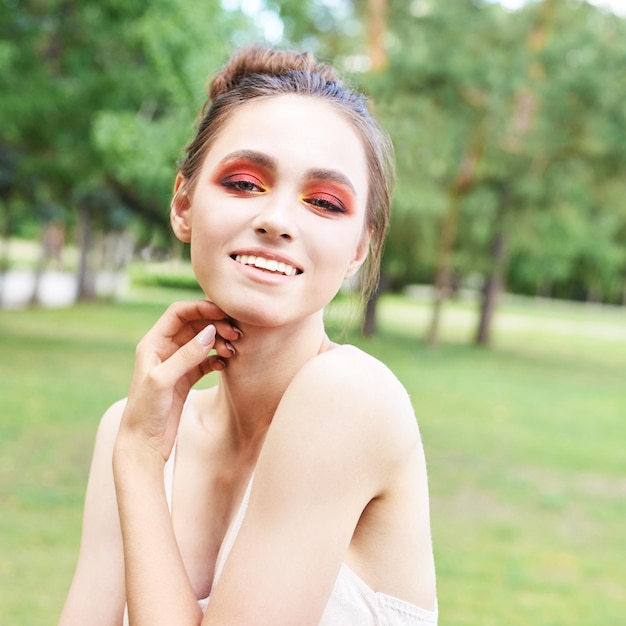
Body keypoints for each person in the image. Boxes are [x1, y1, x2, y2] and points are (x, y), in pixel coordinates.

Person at [59, 45, 438, 626]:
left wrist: (138, 462)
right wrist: (137, 447)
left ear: (359, 249)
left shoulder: (348, 397)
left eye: (324, 202)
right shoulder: (133, 425)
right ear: (183, 204)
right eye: (243, 183)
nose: (277, 220)